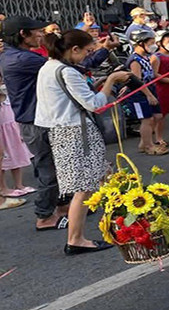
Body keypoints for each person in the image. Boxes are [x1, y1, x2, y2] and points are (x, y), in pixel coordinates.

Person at [0, 16, 111, 230]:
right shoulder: (24, 60)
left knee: (59, 167)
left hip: (40, 118)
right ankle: (44, 217)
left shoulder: (17, 55)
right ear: (23, 34)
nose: (42, 35)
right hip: (36, 120)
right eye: (38, 31)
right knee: (48, 170)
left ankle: (63, 207)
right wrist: (103, 53)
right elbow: (74, 67)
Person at [36, 30, 130, 254]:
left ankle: (123, 221)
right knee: (83, 189)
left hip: (60, 131)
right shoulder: (67, 72)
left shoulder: (48, 67)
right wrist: (110, 81)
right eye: (87, 52)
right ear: (74, 49)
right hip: (76, 133)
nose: (88, 56)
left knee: (99, 178)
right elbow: (94, 104)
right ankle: (76, 239)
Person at [126, 30, 168, 155]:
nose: (153, 45)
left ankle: (144, 142)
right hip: (139, 94)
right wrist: (149, 95)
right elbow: (137, 81)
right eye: (150, 43)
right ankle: (148, 146)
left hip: (150, 89)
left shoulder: (146, 57)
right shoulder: (135, 60)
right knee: (147, 119)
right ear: (140, 43)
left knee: (158, 116)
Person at [0, 74, 34, 198]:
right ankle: (3, 188)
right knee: (3, 162)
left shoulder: (8, 97)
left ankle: (19, 185)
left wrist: (20, 131)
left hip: (12, 132)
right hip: (2, 135)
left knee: (17, 158)